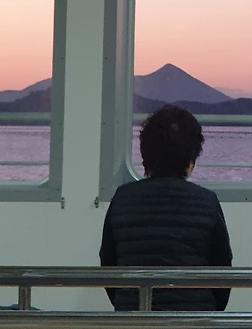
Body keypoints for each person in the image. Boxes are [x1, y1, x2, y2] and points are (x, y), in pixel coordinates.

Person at [100, 105, 233, 312]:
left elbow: (108, 261)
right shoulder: (206, 201)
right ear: (191, 159)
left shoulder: (122, 198)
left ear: (146, 154)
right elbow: (222, 267)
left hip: (133, 317)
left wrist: (126, 302)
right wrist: (209, 310)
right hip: (193, 317)